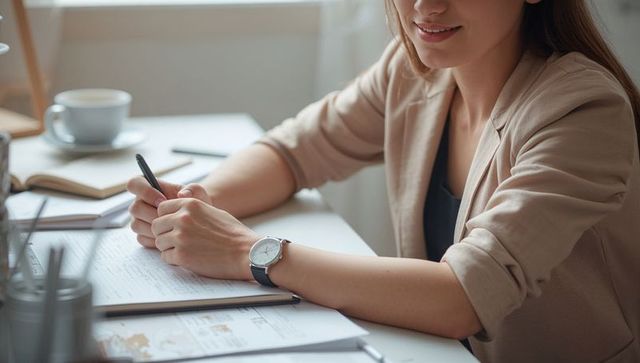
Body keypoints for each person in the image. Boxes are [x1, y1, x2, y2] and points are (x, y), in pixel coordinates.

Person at [127, 0, 640, 362]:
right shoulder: (415, 67)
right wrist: (196, 207)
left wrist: (245, 251)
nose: (425, 6)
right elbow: (294, 151)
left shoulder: (582, 112)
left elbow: (462, 297)